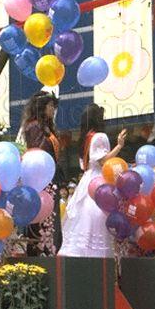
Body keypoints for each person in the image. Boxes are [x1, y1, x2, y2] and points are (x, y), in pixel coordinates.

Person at [59, 103, 127, 258]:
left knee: (85, 213)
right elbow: (103, 160)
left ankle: (83, 250)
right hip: (99, 177)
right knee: (99, 212)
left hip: (87, 178)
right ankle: (98, 253)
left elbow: (85, 163)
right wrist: (119, 146)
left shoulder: (84, 138)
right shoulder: (99, 136)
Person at [16, 91, 63, 251]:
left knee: (50, 216)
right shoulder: (34, 126)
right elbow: (38, 151)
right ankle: (39, 250)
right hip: (40, 179)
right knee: (42, 216)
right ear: (41, 107)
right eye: (50, 106)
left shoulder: (46, 127)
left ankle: (48, 248)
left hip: (50, 177)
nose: (52, 110)